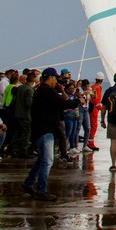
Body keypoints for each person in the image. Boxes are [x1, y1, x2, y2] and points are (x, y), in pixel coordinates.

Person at [21, 67, 80, 201]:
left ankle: (28, 183)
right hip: (45, 129)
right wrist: (77, 101)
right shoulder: (47, 91)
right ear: (50, 78)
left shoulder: (41, 90)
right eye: (55, 78)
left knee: (42, 158)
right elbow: (62, 104)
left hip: (40, 129)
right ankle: (41, 190)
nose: (56, 81)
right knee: (48, 161)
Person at [10, 72, 35, 158]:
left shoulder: (20, 87)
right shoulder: (29, 89)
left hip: (18, 112)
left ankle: (11, 147)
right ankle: (23, 151)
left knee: (18, 132)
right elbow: (28, 103)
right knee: (26, 133)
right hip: (25, 114)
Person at [88, 72, 103, 152]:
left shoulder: (92, 87)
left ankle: (89, 142)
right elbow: (95, 99)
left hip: (92, 107)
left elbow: (91, 97)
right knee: (93, 126)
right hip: (94, 109)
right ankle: (90, 143)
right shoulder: (97, 88)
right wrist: (100, 108)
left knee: (91, 126)